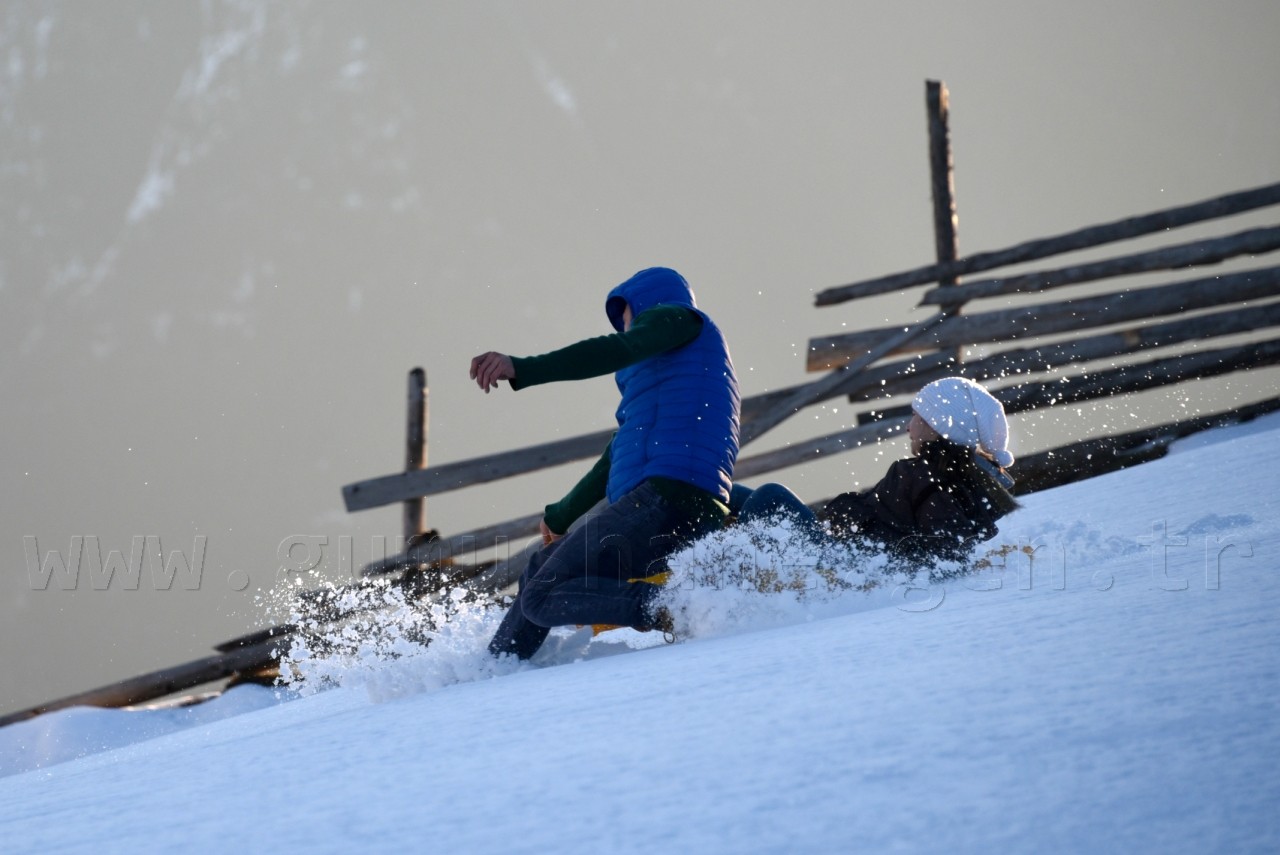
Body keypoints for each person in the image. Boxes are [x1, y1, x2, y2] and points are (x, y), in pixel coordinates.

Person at [469, 267, 740, 659]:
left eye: (625, 317)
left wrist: (522, 367)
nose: (625, 329)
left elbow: (620, 349)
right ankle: (497, 667)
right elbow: (614, 456)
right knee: (540, 572)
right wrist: (560, 516)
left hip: (667, 499)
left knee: (542, 595)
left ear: (641, 303)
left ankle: (670, 605)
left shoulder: (676, 317)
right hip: (664, 504)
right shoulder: (661, 385)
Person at [732, 376, 1019, 564]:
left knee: (769, 496)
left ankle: (722, 575)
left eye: (916, 417)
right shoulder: (930, 474)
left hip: (840, 566)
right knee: (731, 493)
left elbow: (945, 557)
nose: (908, 427)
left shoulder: (934, 481)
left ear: (936, 426)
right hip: (843, 552)